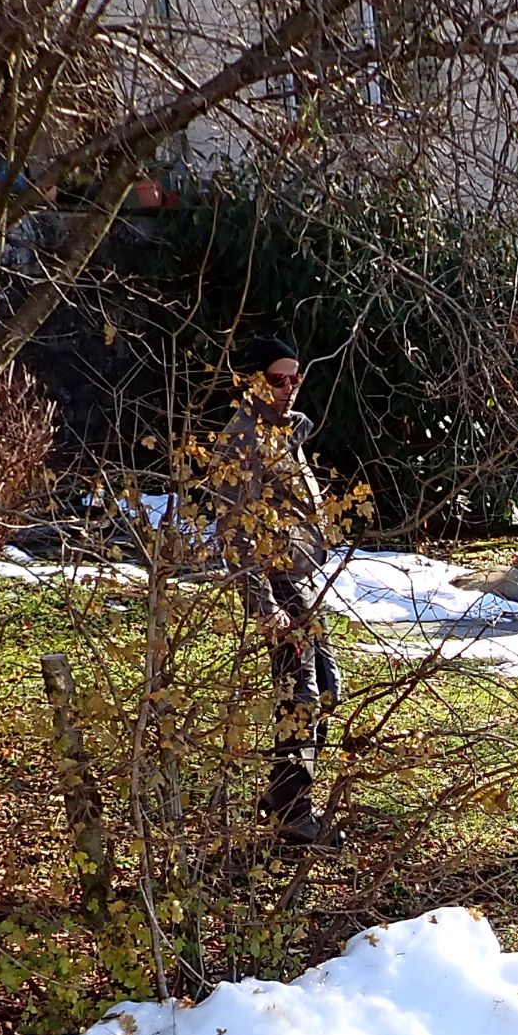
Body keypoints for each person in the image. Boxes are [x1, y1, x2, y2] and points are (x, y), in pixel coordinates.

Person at [207, 335, 340, 844]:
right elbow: (234, 531)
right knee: (302, 693)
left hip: (303, 582)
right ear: (251, 380)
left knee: (326, 690)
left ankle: (283, 794)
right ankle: (292, 812)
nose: (289, 388)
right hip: (278, 586)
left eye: (295, 378)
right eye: (277, 379)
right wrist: (264, 606)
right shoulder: (241, 438)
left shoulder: (282, 432)